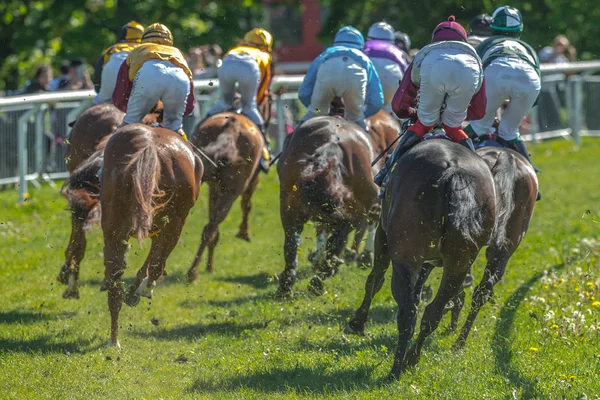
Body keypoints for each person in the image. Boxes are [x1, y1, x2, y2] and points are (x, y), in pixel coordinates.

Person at [374, 16, 486, 188]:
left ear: (435, 39)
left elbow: (398, 104)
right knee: (453, 127)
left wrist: (413, 113)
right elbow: (479, 111)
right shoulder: (475, 57)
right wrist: (452, 115)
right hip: (469, 70)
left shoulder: (427, 52)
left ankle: (386, 170)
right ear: (463, 39)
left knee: (424, 124)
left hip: (433, 68)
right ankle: (482, 176)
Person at [465, 6, 542, 199]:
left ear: (492, 29)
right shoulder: (528, 47)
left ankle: (452, 148)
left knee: (480, 126)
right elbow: (536, 88)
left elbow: (476, 74)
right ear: (520, 31)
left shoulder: (487, 43)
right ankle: (532, 177)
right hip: (529, 80)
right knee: (509, 131)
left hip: (494, 75)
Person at [203, 29, 274, 171]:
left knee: (223, 103)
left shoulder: (235, 49)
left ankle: (198, 131)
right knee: (250, 107)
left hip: (227, 63)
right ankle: (265, 151)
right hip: (249, 67)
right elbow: (263, 86)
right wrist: (256, 102)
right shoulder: (264, 55)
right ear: (265, 46)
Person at [112, 23, 195, 138]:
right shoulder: (177, 53)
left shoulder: (138, 50)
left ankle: (110, 154)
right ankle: (190, 152)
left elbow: (122, 88)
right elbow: (189, 103)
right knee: (175, 128)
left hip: (149, 75)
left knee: (129, 125)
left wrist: (126, 109)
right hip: (179, 77)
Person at [298, 26, 383, 132]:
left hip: (327, 73)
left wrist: (317, 110)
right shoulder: (364, 59)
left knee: (313, 115)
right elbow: (377, 101)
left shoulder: (326, 53)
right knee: (356, 120)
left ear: (336, 44)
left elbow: (303, 93)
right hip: (355, 78)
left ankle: (290, 145)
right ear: (361, 47)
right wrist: (360, 115)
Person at [92, 21, 144, 105]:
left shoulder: (110, 49)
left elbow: (97, 77)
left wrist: (100, 93)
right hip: (135, 76)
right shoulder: (145, 49)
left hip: (110, 70)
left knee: (97, 107)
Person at [363, 22, 408, 113]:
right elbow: (406, 74)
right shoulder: (397, 51)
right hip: (392, 82)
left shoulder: (363, 47)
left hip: (367, 82)